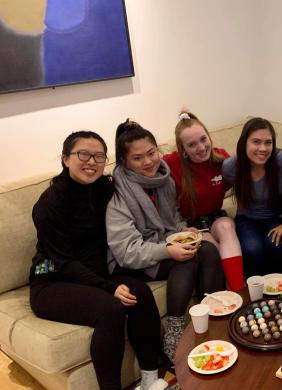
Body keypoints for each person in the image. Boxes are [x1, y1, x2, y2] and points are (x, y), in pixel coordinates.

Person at [29, 131, 168, 390]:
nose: (91, 162)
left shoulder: (105, 188)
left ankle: (150, 378)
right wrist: (109, 287)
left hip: (97, 272)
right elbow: (64, 262)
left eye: (99, 156)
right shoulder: (50, 204)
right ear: (65, 158)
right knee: (111, 308)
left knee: (140, 294)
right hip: (53, 280)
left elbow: (138, 186)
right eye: (83, 154)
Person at [106, 119, 225, 364]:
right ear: (124, 162)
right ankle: (175, 329)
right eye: (138, 158)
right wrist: (168, 250)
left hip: (162, 244)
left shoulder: (164, 180)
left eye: (151, 153)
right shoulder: (117, 193)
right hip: (130, 262)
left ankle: (210, 319)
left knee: (209, 250)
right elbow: (126, 251)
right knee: (186, 261)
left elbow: (173, 220)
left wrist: (185, 230)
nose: (148, 162)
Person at [163, 111, 244, 290]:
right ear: (182, 148)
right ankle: (225, 297)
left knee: (226, 227)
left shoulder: (221, 158)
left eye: (203, 139)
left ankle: (239, 290)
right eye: (192, 145)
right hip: (191, 225)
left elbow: (243, 181)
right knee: (213, 252)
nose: (201, 148)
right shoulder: (171, 163)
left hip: (216, 217)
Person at [221, 117, 282, 277]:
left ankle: (281, 291)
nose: (263, 148)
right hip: (246, 218)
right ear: (244, 143)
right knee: (251, 248)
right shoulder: (231, 167)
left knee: (276, 245)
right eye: (256, 142)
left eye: (268, 142)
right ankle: (255, 295)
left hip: (275, 217)